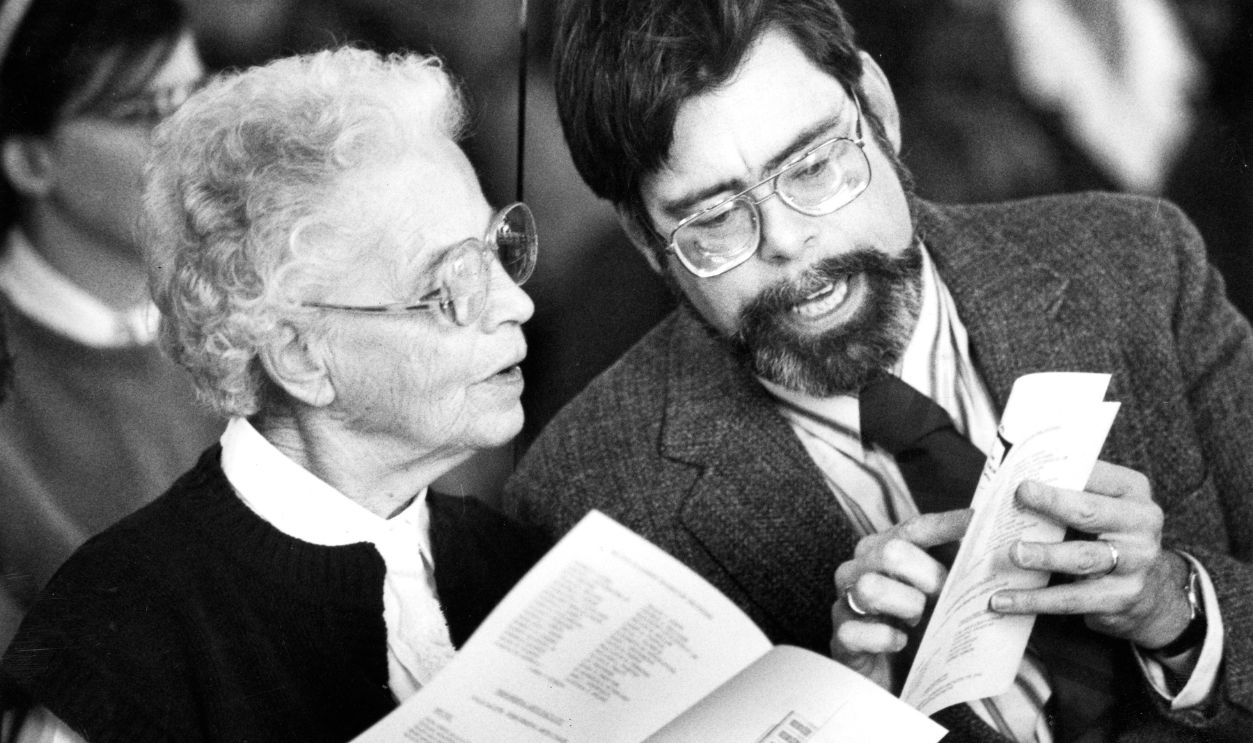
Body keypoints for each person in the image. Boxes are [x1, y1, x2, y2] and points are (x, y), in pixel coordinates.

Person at [503, 0, 1253, 740]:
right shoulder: (589, 504)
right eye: (714, 219)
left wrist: (1180, 607)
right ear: (645, 240)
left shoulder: (1140, 262)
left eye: (812, 165)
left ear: (879, 110)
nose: (788, 241)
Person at [0, 46, 546, 742]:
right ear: (299, 356)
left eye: (498, 251)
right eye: (450, 285)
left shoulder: (515, 564)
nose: (516, 305)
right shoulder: (125, 635)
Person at [0, 0, 223, 651]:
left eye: (195, 95)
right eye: (142, 113)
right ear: (31, 162)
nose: (190, 137)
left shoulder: (252, 312)